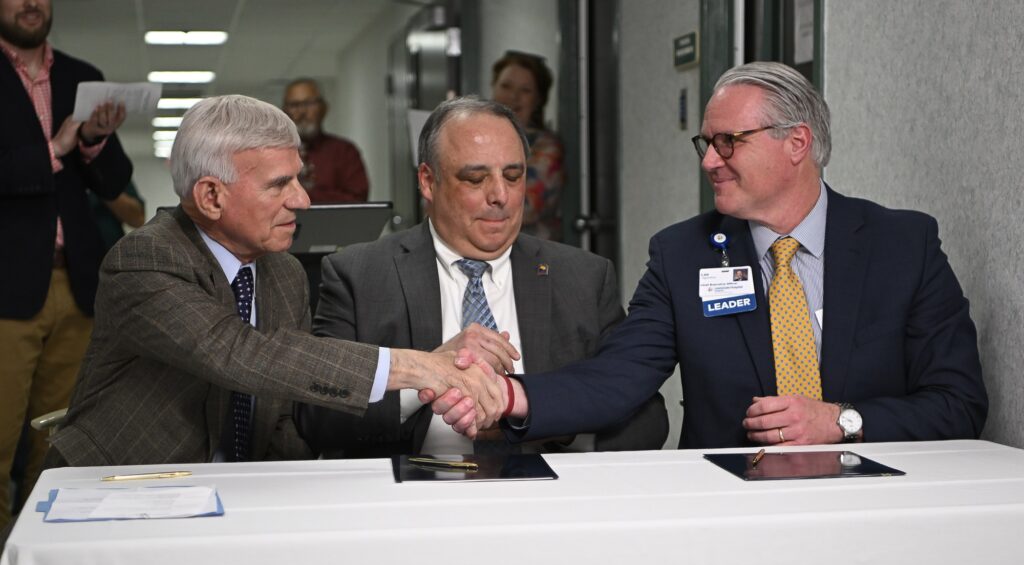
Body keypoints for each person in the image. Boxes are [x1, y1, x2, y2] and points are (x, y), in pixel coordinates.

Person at [435, 61, 988, 449]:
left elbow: (959, 404)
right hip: (731, 505)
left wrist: (842, 421)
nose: (710, 162)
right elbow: (619, 377)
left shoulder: (902, 246)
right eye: (707, 143)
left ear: (796, 143)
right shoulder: (684, 254)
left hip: (878, 496)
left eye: (730, 142)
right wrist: (509, 396)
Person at [44, 95, 501, 471]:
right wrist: (420, 366)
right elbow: (240, 353)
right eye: (278, 185)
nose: (302, 200)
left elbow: (283, 410)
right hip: (120, 483)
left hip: (242, 487)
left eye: (298, 180)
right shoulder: (144, 259)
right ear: (211, 196)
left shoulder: (283, 272)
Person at [297, 97, 667, 457]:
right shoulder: (360, 275)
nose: (500, 195)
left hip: (550, 494)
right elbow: (315, 416)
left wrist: (544, 421)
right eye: (475, 179)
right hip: (416, 498)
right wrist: (425, 376)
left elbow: (646, 417)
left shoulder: (583, 277)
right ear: (428, 181)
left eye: (513, 175)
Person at [0, 0, 132, 531]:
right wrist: (56, 147)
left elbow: (115, 183)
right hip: (6, 288)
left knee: (58, 444)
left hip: (75, 285)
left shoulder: (83, 79)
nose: (31, 3)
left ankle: (39, 563)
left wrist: (95, 143)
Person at [491, 51, 565, 241]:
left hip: (530, 258)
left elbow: (522, 207)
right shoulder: (474, 139)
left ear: (538, 99)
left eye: (525, 90)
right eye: (506, 86)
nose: (513, 96)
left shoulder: (546, 149)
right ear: (493, 88)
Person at [282, 77, 369, 204]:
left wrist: (305, 193)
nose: (302, 112)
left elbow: (357, 200)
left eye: (309, 103)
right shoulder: (273, 153)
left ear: (324, 108)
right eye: (294, 105)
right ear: (284, 111)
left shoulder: (344, 152)